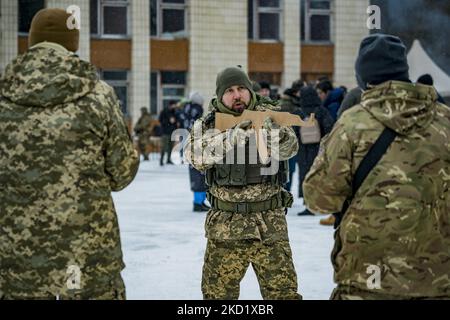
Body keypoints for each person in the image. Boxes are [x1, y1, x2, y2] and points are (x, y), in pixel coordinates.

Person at [0, 8, 139, 300]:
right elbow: (122, 172)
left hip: (16, 259)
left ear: (32, 41)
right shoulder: (98, 94)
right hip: (87, 257)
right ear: (72, 42)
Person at [303, 34, 450, 300]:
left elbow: (318, 198)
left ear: (364, 78)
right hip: (438, 277)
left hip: (369, 277)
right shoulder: (446, 121)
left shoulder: (352, 124)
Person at [185, 66, 301, 300]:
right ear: (220, 95)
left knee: (283, 295)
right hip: (226, 227)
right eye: (229, 90)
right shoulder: (208, 124)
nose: (237, 95)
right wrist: (231, 137)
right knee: (218, 297)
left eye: (241, 89)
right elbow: (195, 156)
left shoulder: (270, 116)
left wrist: (272, 133)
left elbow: (291, 148)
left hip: (269, 224)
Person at [294, 86, 334, 216]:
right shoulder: (321, 110)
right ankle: (319, 202)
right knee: (318, 175)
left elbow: (293, 131)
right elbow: (329, 128)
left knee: (305, 176)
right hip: (318, 150)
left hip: (303, 151)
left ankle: (307, 203)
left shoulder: (299, 112)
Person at [184, 92, 210, 212]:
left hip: (188, 143)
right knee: (200, 173)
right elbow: (198, 126)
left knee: (195, 173)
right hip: (197, 145)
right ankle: (198, 202)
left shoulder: (187, 109)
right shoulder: (196, 109)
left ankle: (198, 201)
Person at [158, 100, 179, 166]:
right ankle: (161, 160)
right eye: (174, 105)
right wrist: (168, 121)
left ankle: (168, 159)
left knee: (170, 146)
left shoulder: (174, 112)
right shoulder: (164, 111)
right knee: (164, 147)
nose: (175, 106)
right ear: (171, 105)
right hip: (165, 132)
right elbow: (160, 120)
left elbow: (176, 121)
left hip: (172, 132)